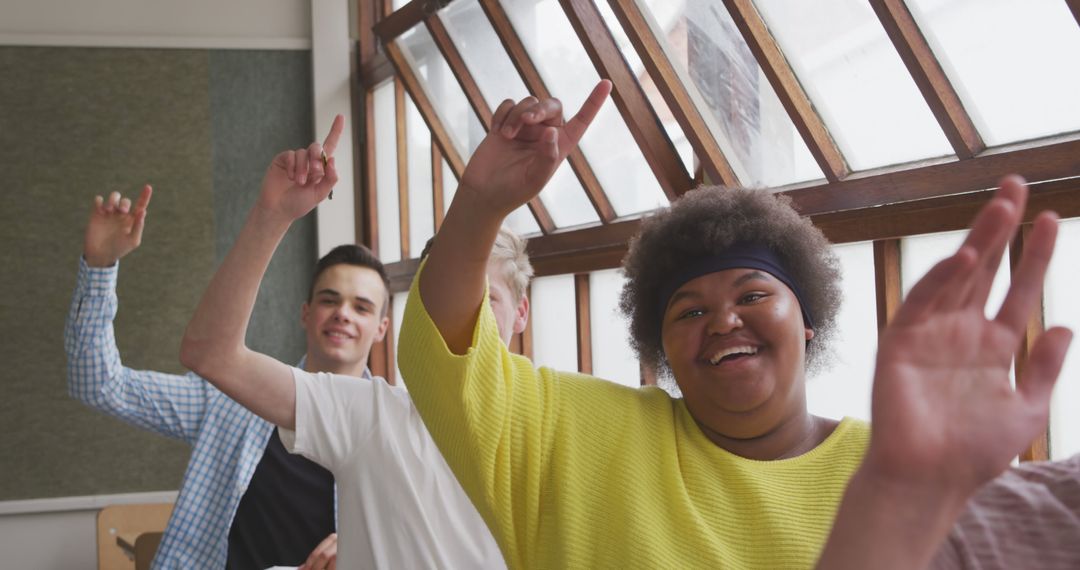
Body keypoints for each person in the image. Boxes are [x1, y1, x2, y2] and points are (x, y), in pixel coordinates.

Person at [397, 81, 1079, 569]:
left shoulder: (901, 468)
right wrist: (481, 207)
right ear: (659, 349)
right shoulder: (573, 438)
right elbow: (446, 354)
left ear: (807, 321)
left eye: (753, 295)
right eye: (688, 311)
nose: (723, 320)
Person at [177, 118, 532, 568]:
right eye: (450, 301)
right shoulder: (372, 415)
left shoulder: (551, 427)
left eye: (490, 300)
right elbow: (211, 354)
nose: (469, 317)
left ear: (521, 313)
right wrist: (272, 214)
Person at [65, 118, 374, 569]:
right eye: (330, 300)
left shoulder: (391, 425)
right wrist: (99, 267)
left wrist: (362, 546)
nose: (343, 313)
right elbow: (100, 385)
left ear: (382, 326)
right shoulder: (231, 401)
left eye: (362, 307)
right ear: (306, 313)